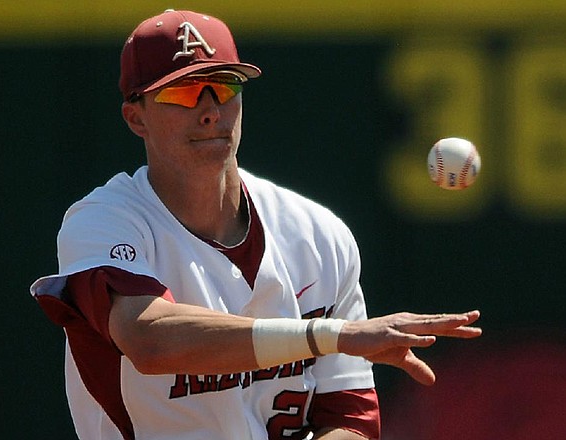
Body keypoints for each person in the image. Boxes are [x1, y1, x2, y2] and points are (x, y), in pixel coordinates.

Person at [30, 9, 482, 440]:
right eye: (183, 92)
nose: (209, 110)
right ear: (136, 117)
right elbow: (146, 338)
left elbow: (351, 417)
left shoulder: (317, 235)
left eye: (224, 87)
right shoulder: (104, 221)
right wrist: (332, 336)